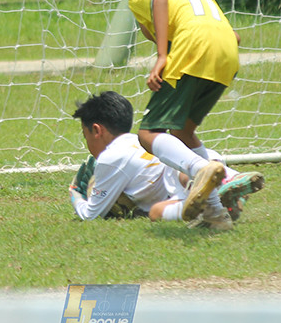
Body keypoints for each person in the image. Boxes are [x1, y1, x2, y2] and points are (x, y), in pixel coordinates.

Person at [127, 0, 241, 221]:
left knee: (148, 134)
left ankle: (203, 169)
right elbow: (236, 37)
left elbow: (158, 0)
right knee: (182, 133)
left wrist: (161, 56)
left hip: (193, 48)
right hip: (227, 56)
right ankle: (218, 207)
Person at [69, 91, 261, 230]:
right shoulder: (138, 141)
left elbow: (91, 215)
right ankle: (228, 183)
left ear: (96, 130)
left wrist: (76, 195)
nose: (87, 144)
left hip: (178, 184)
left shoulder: (109, 158)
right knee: (166, 196)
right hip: (203, 159)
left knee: (158, 211)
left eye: (85, 136)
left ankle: (212, 199)